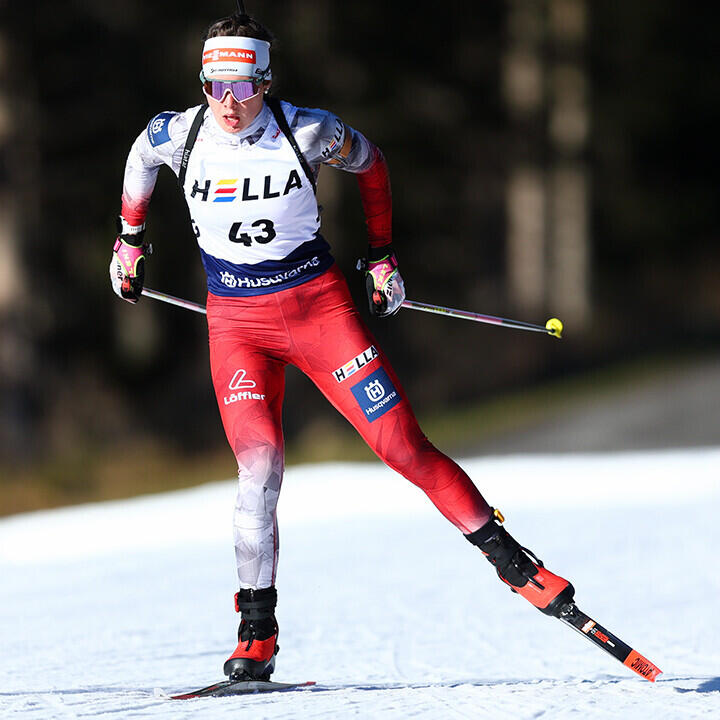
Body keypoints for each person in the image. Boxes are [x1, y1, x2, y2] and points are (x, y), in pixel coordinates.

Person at [111, 10, 575, 682]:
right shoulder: (177, 133)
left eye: (243, 85)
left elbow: (373, 164)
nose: (229, 103)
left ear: (267, 80)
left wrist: (382, 256)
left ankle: (510, 559)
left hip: (318, 310)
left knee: (401, 446)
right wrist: (129, 242)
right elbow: (139, 159)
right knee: (258, 473)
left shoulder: (309, 131)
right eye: (215, 85)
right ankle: (256, 633)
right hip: (237, 325)